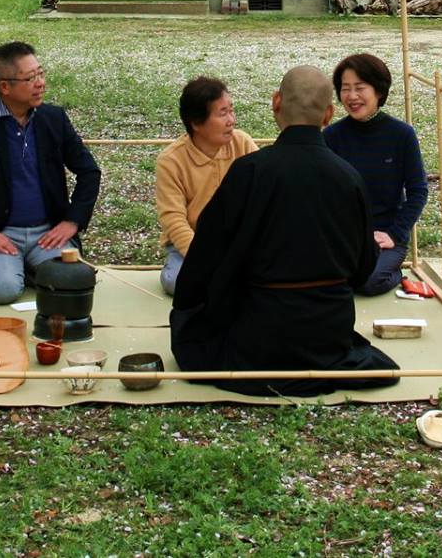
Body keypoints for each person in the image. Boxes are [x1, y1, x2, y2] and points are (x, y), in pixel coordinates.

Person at [170, 65, 400, 396]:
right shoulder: (348, 178)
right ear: (328, 114)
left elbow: (205, 260)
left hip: (259, 331)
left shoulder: (249, 171)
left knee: (191, 330)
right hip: (326, 332)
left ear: (276, 102)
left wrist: (193, 307)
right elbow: (363, 268)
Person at [0, 40, 101, 304]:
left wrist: (71, 221)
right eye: (30, 78)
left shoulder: (53, 119)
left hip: (47, 234)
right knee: (4, 291)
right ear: (5, 86)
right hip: (1, 233)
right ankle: (16, 269)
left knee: (72, 282)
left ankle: (33, 269)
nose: (40, 83)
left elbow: (89, 172)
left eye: (41, 73)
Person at [323, 52, 428, 296]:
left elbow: (418, 191)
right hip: (343, 238)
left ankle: (395, 272)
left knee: (367, 283)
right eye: (345, 88)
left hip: (384, 237)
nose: (351, 96)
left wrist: (395, 234)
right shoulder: (331, 136)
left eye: (360, 88)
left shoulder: (401, 135)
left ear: (379, 91)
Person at [154, 76, 259, 296]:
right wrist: (206, 259)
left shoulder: (243, 144)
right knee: (175, 281)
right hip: (191, 246)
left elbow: (264, 197)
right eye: (222, 113)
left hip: (239, 243)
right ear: (196, 123)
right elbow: (173, 220)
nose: (232, 120)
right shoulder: (171, 161)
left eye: (231, 110)